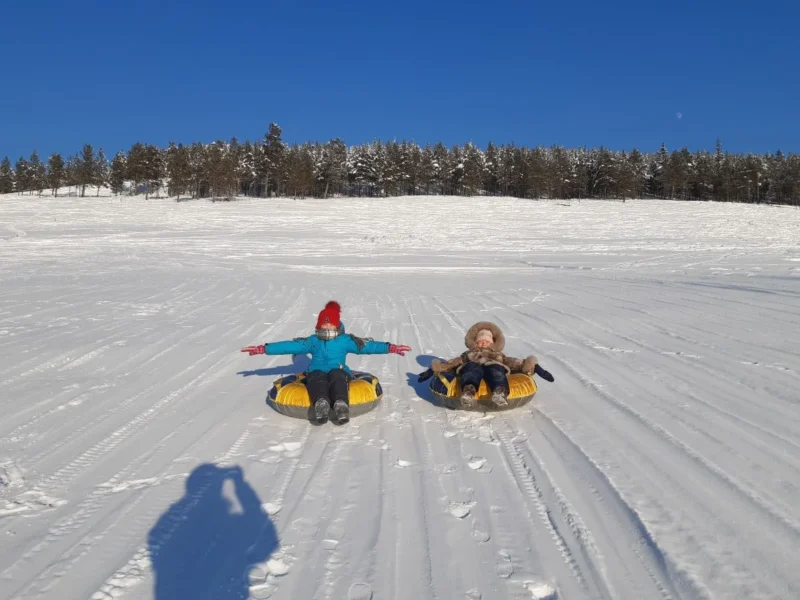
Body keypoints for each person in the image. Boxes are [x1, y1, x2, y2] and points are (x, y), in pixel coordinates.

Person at [241, 301, 410, 424]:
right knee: (317, 377)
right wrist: (264, 349)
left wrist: (390, 347)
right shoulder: (313, 340)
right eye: (323, 325)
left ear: (336, 326)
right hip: (316, 371)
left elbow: (368, 346)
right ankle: (321, 403)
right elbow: (289, 346)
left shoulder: (345, 340)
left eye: (329, 325)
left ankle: (341, 404)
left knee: (337, 376)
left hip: (339, 370)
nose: (326, 328)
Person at [423, 321, 554, 408]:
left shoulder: (498, 355)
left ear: (492, 343)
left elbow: (512, 362)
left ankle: (499, 392)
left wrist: (530, 365)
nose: (484, 343)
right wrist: (437, 368)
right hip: (473, 365)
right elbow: (454, 362)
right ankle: (468, 392)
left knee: (496, 369)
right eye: (480, 341)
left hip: (493, 366)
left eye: (487, 341)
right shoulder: (468, 354)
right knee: (471, 369)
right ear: (475, 342)